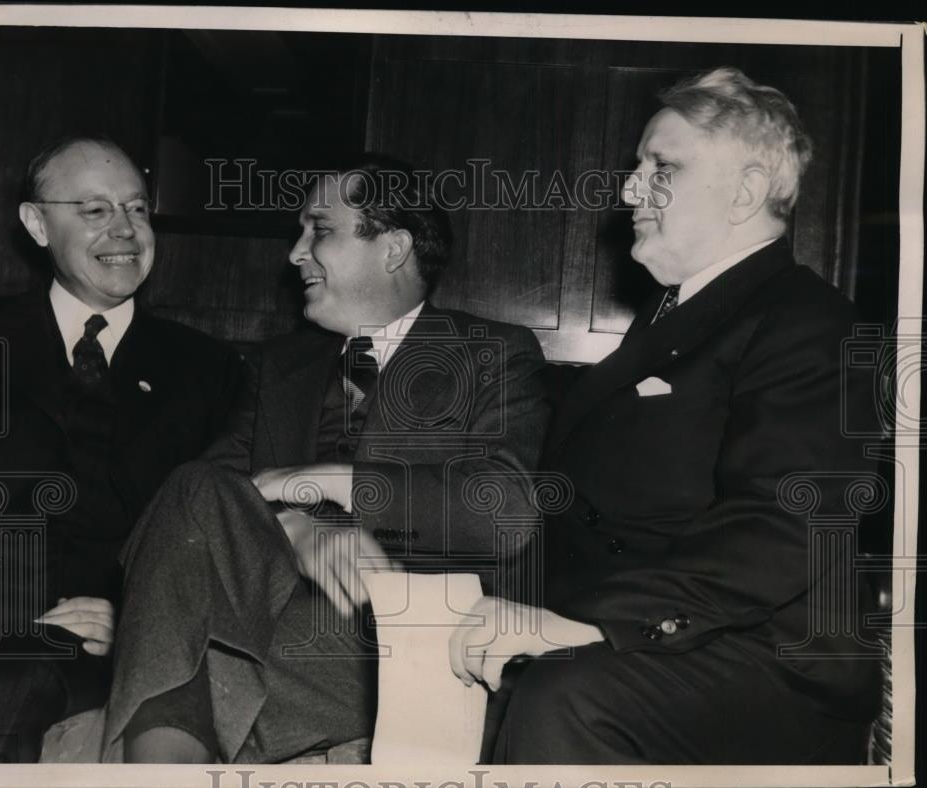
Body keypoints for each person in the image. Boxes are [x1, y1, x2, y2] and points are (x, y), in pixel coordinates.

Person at [449, 67, 881, 764]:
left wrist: (587, 625)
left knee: (565, 696)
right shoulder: (674, 312)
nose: (627, 191)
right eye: (636, 167)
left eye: (662, 168)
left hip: (767, 667)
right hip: (663, 633)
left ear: (744, 191)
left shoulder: (811, 322)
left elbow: (786, 525)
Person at [101, 155, 549, 763]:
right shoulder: (279, 364)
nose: (295, 253)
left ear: (392, 248)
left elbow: (506, 514)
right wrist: (295, 524)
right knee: (191, 483)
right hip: (263, 607)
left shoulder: (491, 353)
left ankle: (159, 757)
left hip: (393, 629)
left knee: (178, 654)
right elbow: (205, 502)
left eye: (321, 230)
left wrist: (335, 483)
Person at [0, 135, 243, 762]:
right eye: (94, 211)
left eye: (138, 209)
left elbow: (216, 533)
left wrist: (131, 616)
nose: (125, 231)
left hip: (114, 648)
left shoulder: (208, 369)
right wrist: (10, 619)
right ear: (38, 224)